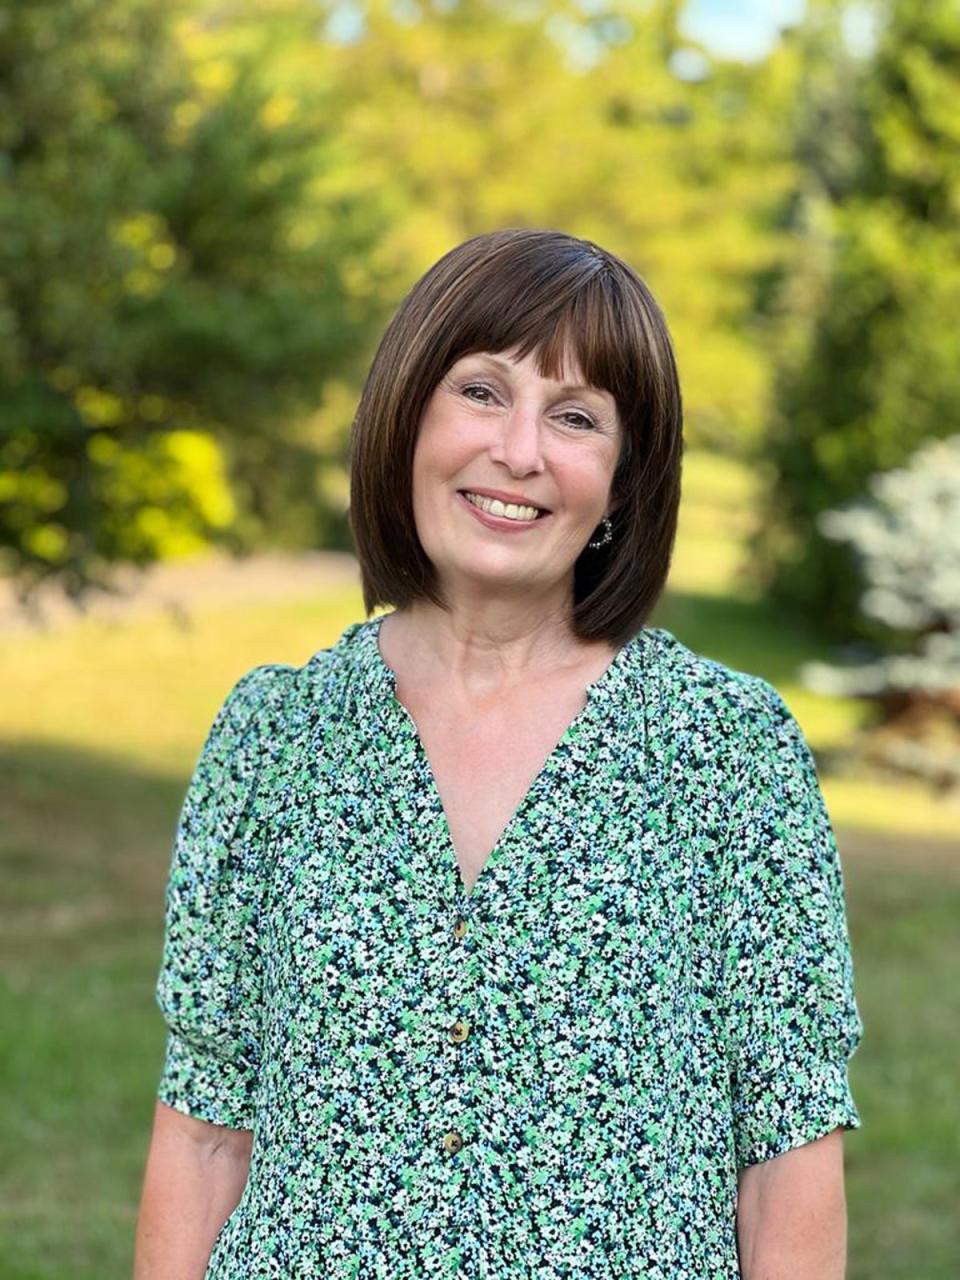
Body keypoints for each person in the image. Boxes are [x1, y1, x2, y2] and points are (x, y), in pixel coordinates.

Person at [134, 227, 864, 1279]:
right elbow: (205, 1128)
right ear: (409, 414)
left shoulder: (727, 751)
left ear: (621, 481)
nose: (518, 450)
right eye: (482, 390)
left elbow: (786, 1157)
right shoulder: (272, 739)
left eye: (574, 417)